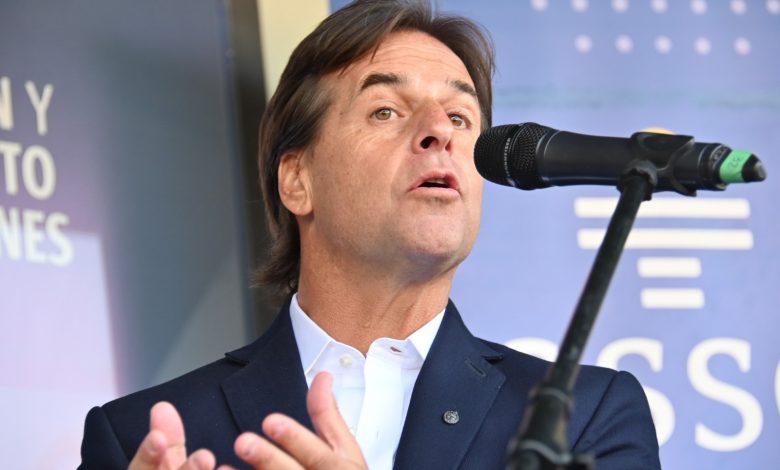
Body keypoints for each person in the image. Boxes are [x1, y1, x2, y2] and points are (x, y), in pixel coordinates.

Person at [78, 1, 661, 469]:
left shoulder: (585, 419)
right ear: (297, 180)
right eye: (386, 110)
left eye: (460, 117)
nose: (439, 131)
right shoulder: (143, 435)